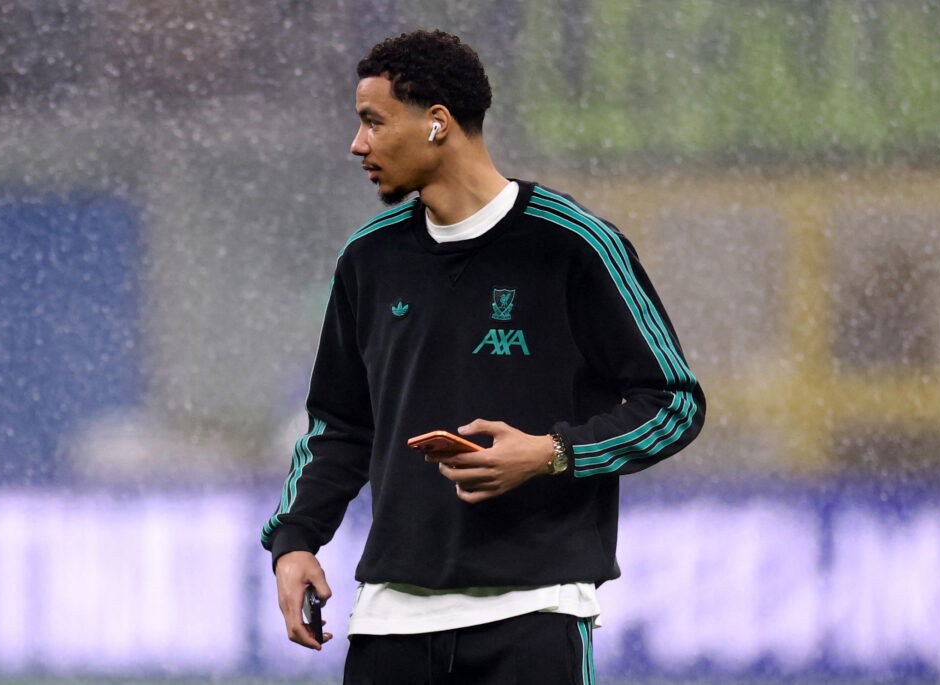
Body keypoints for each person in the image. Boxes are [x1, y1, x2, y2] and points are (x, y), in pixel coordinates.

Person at [262, 29, 705, 684]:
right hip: (391, 619)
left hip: (534, 613)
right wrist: (296, 539)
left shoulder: (574, 244)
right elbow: (341, 425)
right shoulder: (369, 258)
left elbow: (674, 404)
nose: (358, 144)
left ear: (437, 123)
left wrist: (551, 452)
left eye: (373, 122)